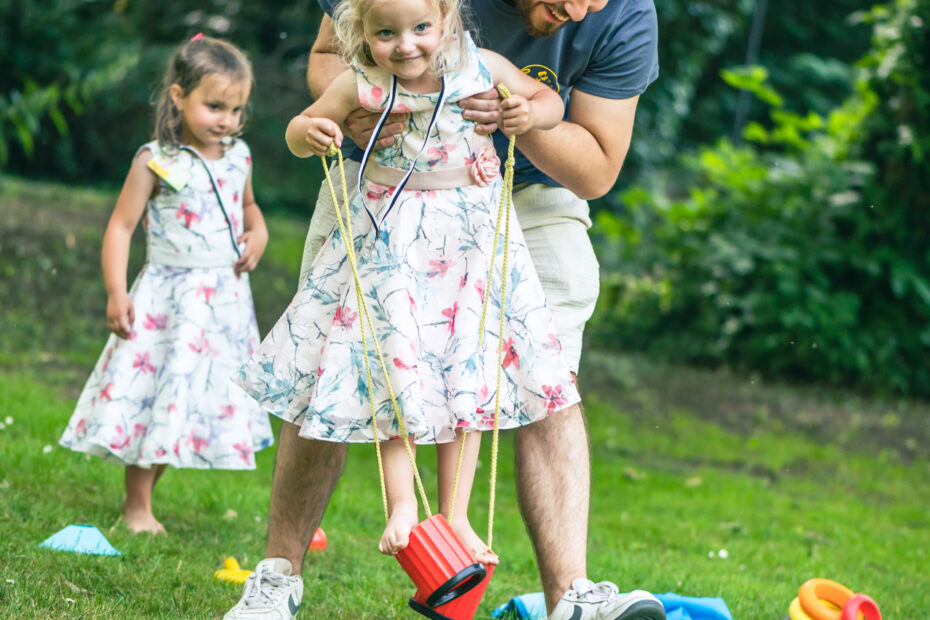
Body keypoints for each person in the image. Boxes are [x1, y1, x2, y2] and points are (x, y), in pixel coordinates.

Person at [225, 0, 664, 617]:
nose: (578, 9)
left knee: (543, 371)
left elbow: (595, 166)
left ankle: (574, 600)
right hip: (383, 191)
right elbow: (327, 61)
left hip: (517, 192)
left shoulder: (616, 17)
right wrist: (354, 111)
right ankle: (276, 581)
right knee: (337, 362)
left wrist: (525, 119)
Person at [59, 35, 274, 536]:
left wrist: (258, 233)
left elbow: (249, 208)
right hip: (168, 301)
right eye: (214, 106)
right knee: (156, 394)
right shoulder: (156, 161)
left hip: (220, 307)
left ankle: (148, 498)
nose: (226, 119)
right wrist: (117, 291)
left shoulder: (239, 156)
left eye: (236, 109)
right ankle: (136, 506)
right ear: (179, 96)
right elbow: (120, 226)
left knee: (187, 399)